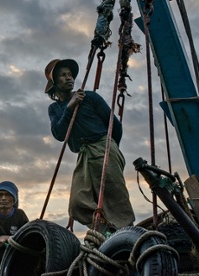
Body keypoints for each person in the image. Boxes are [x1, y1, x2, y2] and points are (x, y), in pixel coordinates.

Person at [43, 58, 135, 234]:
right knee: (78, 202)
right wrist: (70, 107)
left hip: (102, 146)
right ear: (54, 83)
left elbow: (114, 125)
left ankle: (126, 233)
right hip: (83, 154)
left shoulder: (90, 97)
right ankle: (106, 231)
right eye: (63, 75)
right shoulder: (55, 108)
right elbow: (59, 134)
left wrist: (110, 148)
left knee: (115, 195)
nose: (69, 78)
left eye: (70, 74)